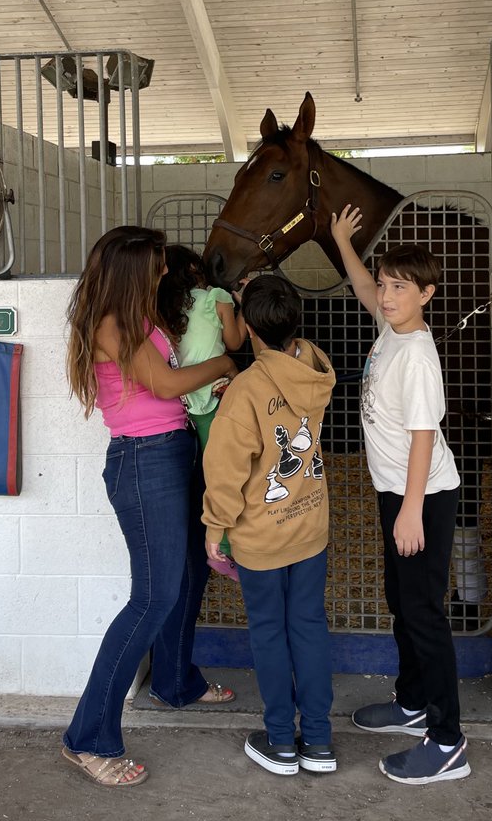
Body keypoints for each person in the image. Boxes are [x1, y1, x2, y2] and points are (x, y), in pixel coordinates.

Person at [61, 226, 238, 788]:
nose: (165, 272)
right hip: (145, 464)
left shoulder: (138, 317)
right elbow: (163, 384)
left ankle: (176, 681)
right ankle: (87, 737)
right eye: (158, 265)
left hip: (173, 451)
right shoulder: (111, 325)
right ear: (134, 270)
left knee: (187, 577)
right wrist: (227, 366)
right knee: (153, 597)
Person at [330, 205, 471, 786]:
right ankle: (413, 702)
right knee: (401, 600)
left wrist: (411, 509)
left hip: (425, 496)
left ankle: (447, 741)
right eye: (386, 285)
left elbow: (422, 437)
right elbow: (363, 285)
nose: (385, 296)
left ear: (427, 294)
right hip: (397, 492)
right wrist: (341, 242)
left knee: (423, 612)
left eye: (400, 287)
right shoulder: (393, 328)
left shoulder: (416, 355)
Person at [203, 275, 337, 776]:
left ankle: (282, 741)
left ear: (249, 329)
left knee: (269, 632)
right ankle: (319, 742)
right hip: (309, 526)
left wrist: (214, 529)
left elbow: (226, 472)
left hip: (262, 533)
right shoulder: (312, 366)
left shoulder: (245, 393)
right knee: (308, 627)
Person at [156, 244, 247, 447]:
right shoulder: (215, 299)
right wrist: (245, 306)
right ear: (193, 268)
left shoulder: (163, 307)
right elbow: (235, 342)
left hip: (182, 394)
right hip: (215, 389)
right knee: (219, 457)